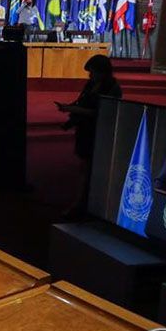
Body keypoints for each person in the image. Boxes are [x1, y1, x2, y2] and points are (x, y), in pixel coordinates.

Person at [57, 55, 123, 216]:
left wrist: (72, 110)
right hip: (85, 129)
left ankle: (84, 205)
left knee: (91, 170)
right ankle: (83, 203)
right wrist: (69, 109)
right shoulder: (91, 84)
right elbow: (82, 102)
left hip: (100, 131)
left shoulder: (112, 88)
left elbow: (102, 112)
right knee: (85, 168)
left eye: (93, 72)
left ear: (103, 72)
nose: (90, 76)